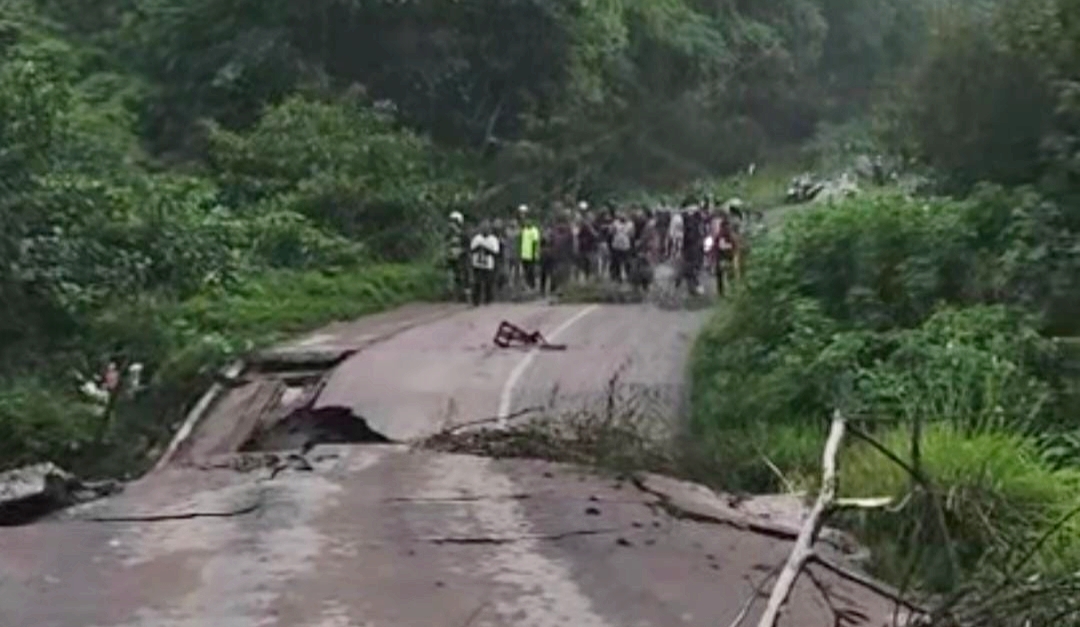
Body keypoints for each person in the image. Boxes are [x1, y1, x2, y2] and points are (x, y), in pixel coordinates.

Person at [470, 220, 500, 306]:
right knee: (477, 282)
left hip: (488, 264)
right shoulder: (477, 238)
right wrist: (479, 248)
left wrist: (486, 249)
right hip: (477, 264)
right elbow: (472, 250)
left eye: (487, 228)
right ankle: (476, 300)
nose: (485, 230)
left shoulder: (493, 239)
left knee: (488, 283)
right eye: (483, 228)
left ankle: (488, 300)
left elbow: (496, 252)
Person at [445, 211, 469, 301]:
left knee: (461, 276)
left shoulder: (463, 235)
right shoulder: (449, 235)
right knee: (451, 277)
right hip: (451, 259)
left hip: (461, 259)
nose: (451, 224)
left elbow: (467, 247)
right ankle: (452, 294)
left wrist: (461, 252)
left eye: (454, 222)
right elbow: (446, 245)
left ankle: (463, 295)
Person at [609, 212, 635, 283]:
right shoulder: (615, 223)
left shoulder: (630, 224)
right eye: (621, 215)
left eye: (625, 216)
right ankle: (616, 277)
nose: (623, 217)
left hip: (626, 245)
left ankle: (628, 276)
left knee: (627, 262)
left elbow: (632, 235)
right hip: (616, 245)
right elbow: (611, 233)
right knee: (616, 262)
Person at [520, 207, 541, 290]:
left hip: (531, 254)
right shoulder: (524, 230)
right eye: (526, 221)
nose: (527, 222)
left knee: (531, 271)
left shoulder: (534, 230)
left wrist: (535, 253)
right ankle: (528, 285)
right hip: (524, 254)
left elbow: (535, 242)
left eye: (528, 221)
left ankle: (533, 286)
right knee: (526, 271)